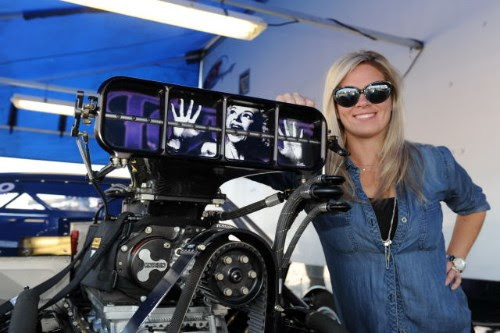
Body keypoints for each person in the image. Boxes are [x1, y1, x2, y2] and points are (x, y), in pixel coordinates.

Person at [271, 50, 489, 333]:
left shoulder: (434, 161)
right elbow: (231, 161)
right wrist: (279, 123)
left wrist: (455, 260)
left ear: (392, 98)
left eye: (376, 91)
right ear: (335, 105)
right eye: (347, 94)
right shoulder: (313, 172)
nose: (363, 102)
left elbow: (474, 206)